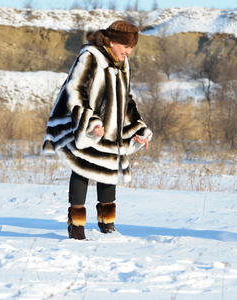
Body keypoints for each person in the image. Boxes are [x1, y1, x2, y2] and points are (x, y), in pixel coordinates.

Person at [42, 20, 152, 240]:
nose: (128, 51)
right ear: (111, 41)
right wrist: (90, 121)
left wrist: (138, 129)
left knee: (108, 172)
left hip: (112, 131)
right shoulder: (90, 56)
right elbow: (75, 89)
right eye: (125, 46)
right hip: (88, 128)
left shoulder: (123, 64)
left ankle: (107, 225)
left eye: (131, 48)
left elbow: (127, 100)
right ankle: (76, 226)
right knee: (82, 170)